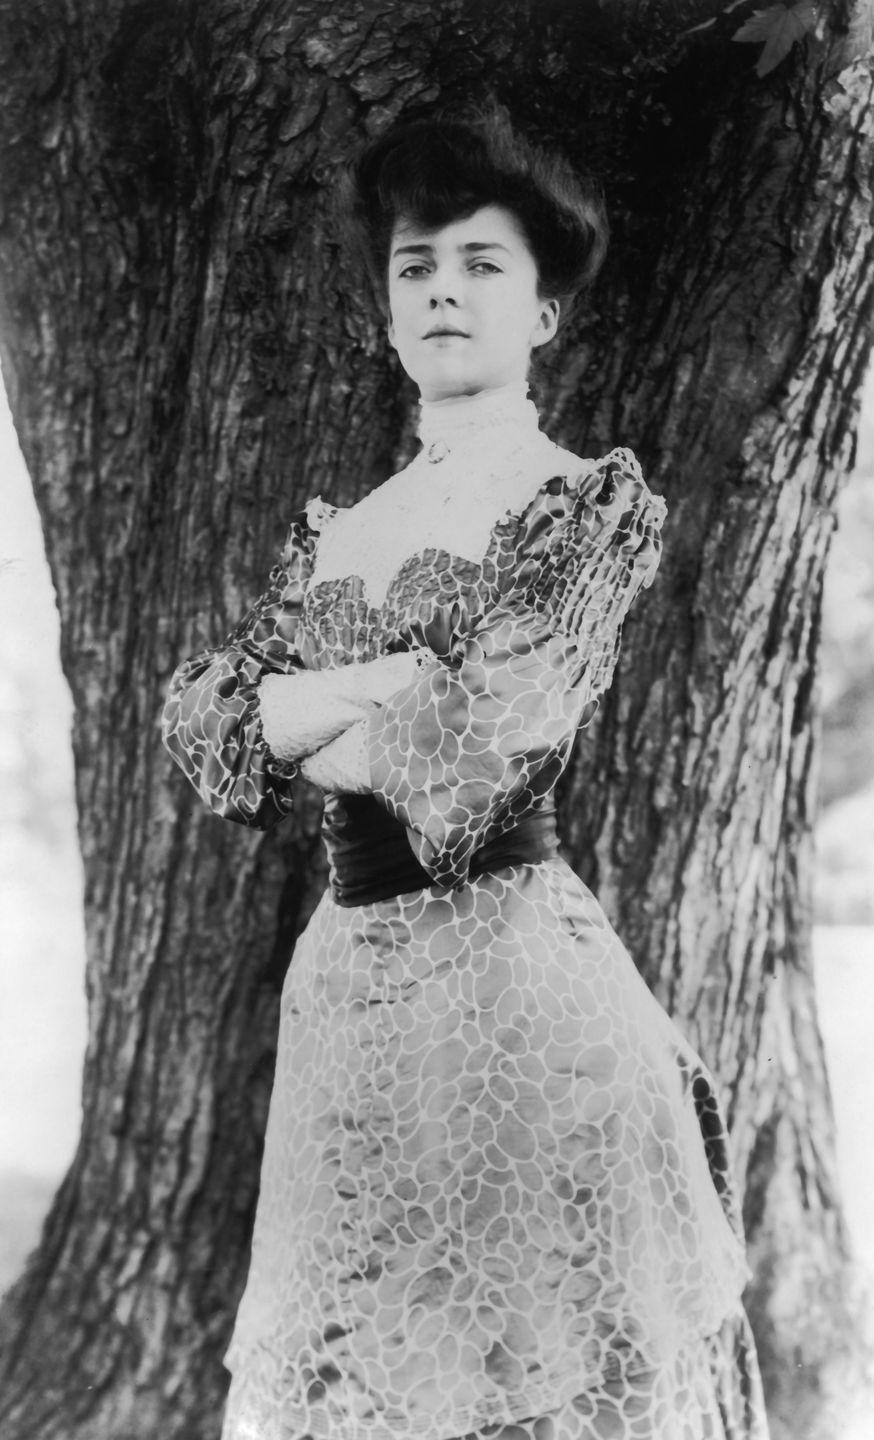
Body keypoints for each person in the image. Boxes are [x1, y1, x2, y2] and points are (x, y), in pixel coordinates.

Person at [162, 111, 769, 1440]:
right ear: (385, 311)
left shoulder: (581, 509)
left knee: (533, 1386)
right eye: (414, 264)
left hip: (520, 1001)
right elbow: (212, 733)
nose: (442, 288)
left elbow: (462, 760)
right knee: (370, 1380)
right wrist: (372, 686)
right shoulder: (334, 534)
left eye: (481, 264)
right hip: (349, 1007)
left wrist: (314, 710)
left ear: (544, 310)